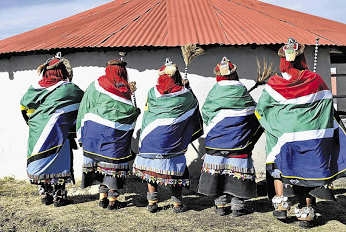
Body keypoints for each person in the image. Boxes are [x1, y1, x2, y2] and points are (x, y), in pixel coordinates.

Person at [255, 38, 346, 227]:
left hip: (283, 138)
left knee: (278, 167)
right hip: (311, 138)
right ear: (302, 58)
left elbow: (261, 110)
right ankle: (305, 215)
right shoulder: (315, 80)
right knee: (307, 174)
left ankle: (281, 207)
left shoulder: (274, 84)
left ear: (283, 60)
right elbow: (327, 107)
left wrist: (276, 125)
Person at [133, 58, 203, 213]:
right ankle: (177, 204)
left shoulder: (152, 92)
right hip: (173, 142)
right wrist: (188, 88)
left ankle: (152, 203)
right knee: (176, 168)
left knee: (152, 170)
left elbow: (148, 113)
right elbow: (194, 108)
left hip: (150, 140)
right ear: (176, 76)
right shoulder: (185, 95)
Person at [197, 57, 262, 217]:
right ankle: (238, 207)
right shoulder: (242, 91)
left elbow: (206, 113)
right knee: (236, 174)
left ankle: (220, 205)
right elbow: (255, 114)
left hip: (215, 143)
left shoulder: (214, 91)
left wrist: (219, 122)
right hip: (238, 143)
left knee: (219, 173)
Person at [20, 52, 83, 207]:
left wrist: (36, 124)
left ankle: (46, 194)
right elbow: (84, 104)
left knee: (42, 161)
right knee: (59, 164)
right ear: (62, 72)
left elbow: (24, 107)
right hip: (60, 134)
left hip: (38, 134)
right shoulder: (69, 89)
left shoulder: (33, 89)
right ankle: (59, 197)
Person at [76, 59, 140, 210]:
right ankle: (112, 201)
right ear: (123, 72)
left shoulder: (95, 85)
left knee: (100, 166)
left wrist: (82, 132)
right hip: (115, 136)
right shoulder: (124, 90)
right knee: (112, 165)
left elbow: (85, 106)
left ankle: (102, 198)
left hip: (93, 133)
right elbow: (128, 112)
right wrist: (135, 112)